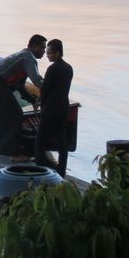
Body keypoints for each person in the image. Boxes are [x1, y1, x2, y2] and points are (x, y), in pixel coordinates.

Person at [0, 34, 47, 161]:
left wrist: (33, 100)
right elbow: (37, 80)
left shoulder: (22, 55)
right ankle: (15, 153)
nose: (44, 51)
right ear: (33, 46)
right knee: (16, 115)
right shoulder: (29, 58)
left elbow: (19, 86)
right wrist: (52, 89)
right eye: (42, 48)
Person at [34, 39, 73, 177]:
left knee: (40, 141)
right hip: (63, 108)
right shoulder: (69, 68)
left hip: (50, 110)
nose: (47, 55)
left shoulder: (52, 69)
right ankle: (61, 172)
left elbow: (45, 90)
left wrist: (38, 102)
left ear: (57, 53)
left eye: (50, 52)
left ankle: (40, 170)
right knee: (62, 141)